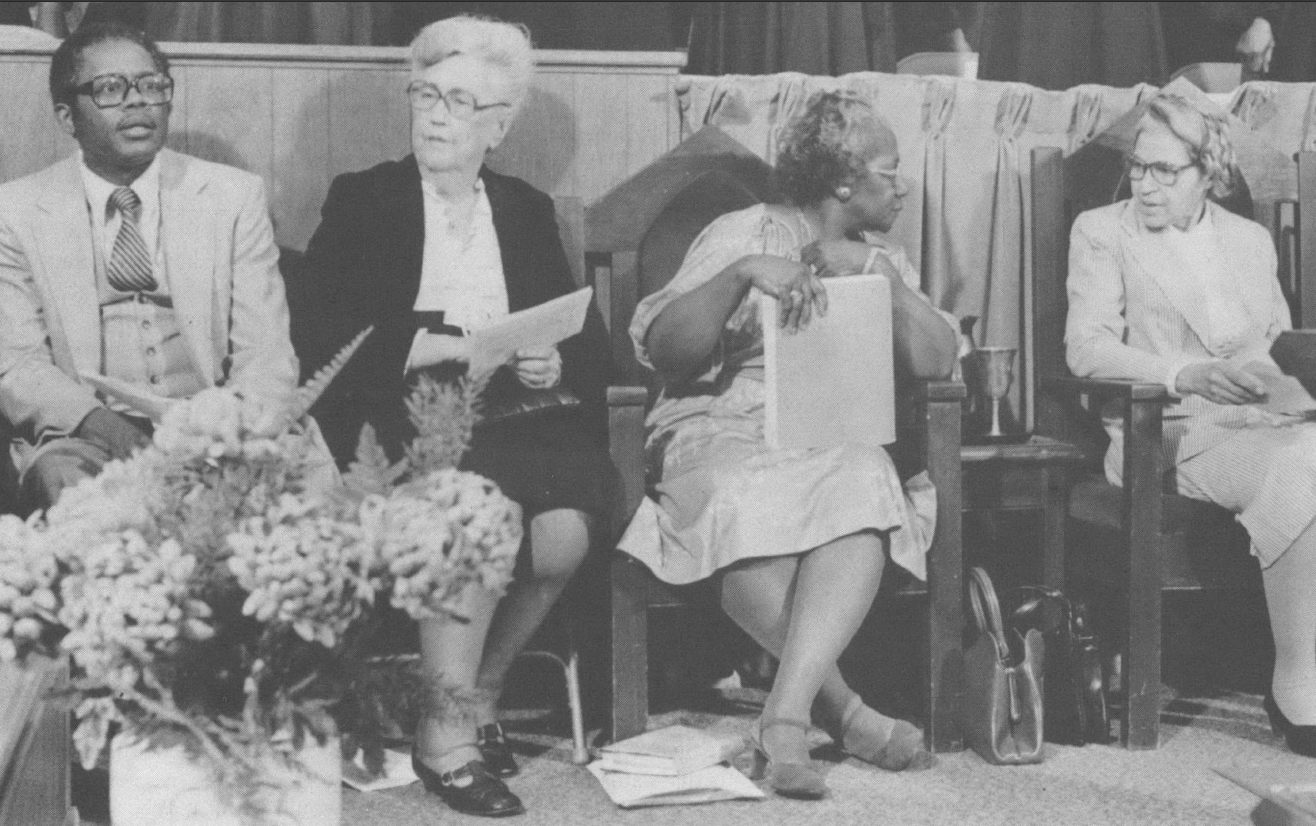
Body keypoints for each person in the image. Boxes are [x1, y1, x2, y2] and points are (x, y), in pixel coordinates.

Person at [297, 15, 612, 818]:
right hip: (400, 418)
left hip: (513, 413)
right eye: (427, 94)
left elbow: (581, 337)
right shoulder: (366, 198)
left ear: (498, 126)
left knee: (568, 526)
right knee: (489, 514)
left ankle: (480, 692)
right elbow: (321, 334)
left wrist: (550, 357)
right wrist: (424, 343)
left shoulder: (523, 207)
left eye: (461, 102)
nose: (437, 115)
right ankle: (445, 737)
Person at [618, 90, 959, 800]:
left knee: (868, 476)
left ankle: (786, 715)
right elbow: (664, 349)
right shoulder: (744, 230)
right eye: (889, 170)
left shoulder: (882, 258)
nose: (901, 186)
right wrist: (741, 275)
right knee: (746, 506)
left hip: (826, 434)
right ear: (844, 181)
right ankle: (845, 714)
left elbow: (936, 363)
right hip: (719, 429)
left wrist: (888, 287)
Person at [1066, 93, 1316, 758]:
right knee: (1301, 463)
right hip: (1162, 432)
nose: (1145, 186)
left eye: (1165, 172)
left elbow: (1271, 342)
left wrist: (1277, 378)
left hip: (1260, 421)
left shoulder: (1249, 239)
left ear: (1209, 173)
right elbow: (1087, 350)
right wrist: (1188, 373)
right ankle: (1301, 689)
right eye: (1139, 169)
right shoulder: (1101, 231)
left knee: (1304, 450)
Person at [0, 22, 297, 511]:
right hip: (90, 435)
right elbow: (18, 364)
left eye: (152, 84)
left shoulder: (233, 196)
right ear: (66, 116)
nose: (138, 102)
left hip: (216, 429)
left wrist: (229, 435)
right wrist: (118, 437)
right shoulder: (16, 212)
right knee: (65, 482)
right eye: (110, 89)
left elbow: (266, 352)